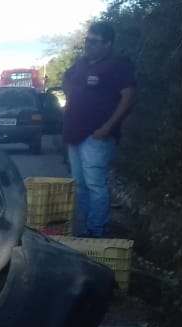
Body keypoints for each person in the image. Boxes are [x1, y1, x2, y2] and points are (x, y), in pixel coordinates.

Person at [61, 20, 137, 237]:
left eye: (94, 41)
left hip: (97, 137)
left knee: (95, 185)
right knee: (81, 185)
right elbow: (66, 77)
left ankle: (98, 231)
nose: (88, 44)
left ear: (108, 44)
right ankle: (87, 228)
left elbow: (129, 96)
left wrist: (108, 127)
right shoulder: (82, 63)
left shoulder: (118, 64)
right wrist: (72, 95)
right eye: (87, 40)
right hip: (74, 135)